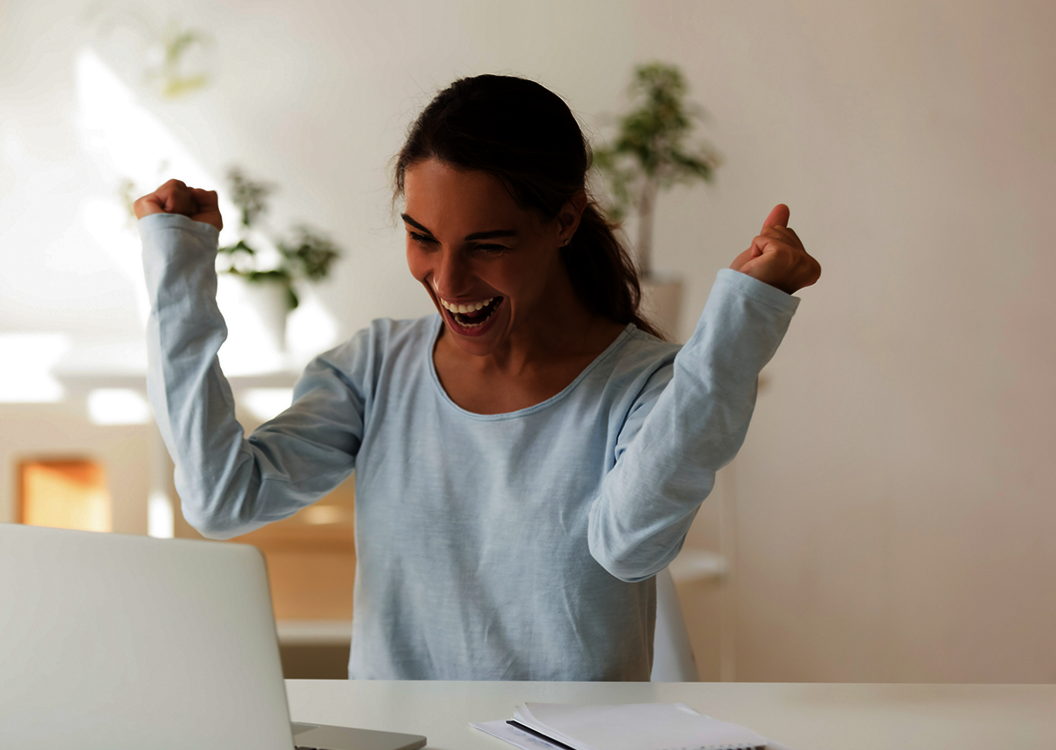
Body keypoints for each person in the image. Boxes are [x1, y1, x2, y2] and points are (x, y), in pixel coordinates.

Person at [133, 74, 820, 681]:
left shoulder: (643, 387)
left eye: (488, 246)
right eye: (422, 237)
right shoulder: (377, 369)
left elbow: (630, 544)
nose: (448, 280)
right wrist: (178, 272)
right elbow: (222, 500)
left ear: (565, 220)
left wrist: (741, 324)